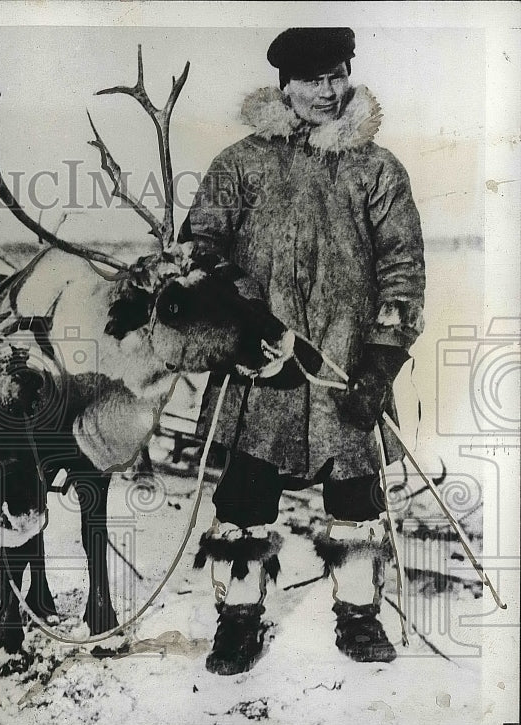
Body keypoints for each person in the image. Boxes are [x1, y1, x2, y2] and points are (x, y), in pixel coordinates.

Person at [181, 27, 426, 675]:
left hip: (348, 366)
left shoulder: (377, 167)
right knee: (244, 502)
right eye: (313, 79)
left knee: (356, 498)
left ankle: (358, 613)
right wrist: (240, 315)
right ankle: (238, 620)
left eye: (337, 75)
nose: (328, 90)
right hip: (260, 369)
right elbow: (197, 253)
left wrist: (381, 363)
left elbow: (403, 269)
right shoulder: (241, 163)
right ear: (284, 85)